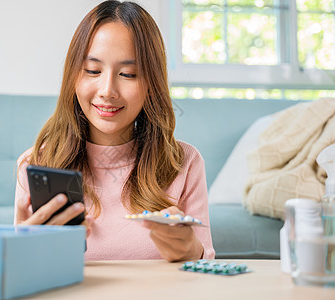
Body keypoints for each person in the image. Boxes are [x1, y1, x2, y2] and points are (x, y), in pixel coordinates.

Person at [14, 0, 215, 262]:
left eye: (128, 74)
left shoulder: (184, 163)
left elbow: (206, 271)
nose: (107, 90)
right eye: (93, 70)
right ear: (73, 76)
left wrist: (192, 252)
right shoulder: (36, 164)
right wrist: (22, 253)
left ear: (151, 84)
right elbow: (26, 277)